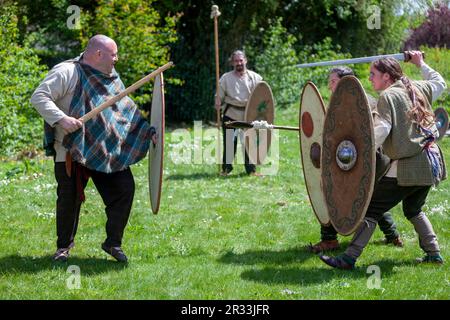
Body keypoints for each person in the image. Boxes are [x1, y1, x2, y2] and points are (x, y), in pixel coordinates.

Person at [31, 35, 154, 263]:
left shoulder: (111, 78)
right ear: (99, 54)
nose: (116, 59)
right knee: (69, 198)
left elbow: (124, 112)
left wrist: (147, 131)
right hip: (70, 149)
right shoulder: (67, 72)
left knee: (124, 189)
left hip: (105, 149)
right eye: (113, 54)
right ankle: (63, 248)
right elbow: (39, 97)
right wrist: (62, 119)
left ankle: (112, 243)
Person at [320, 51, 447, 269]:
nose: (369, 78)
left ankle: (349, 258)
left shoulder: (388, 97)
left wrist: (357, 154)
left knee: (370, 209)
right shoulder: (418, 87)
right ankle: (433, 254)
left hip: (409, 167)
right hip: (432, 163)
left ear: (386, 77)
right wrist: (420, 63)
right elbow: (440, 83)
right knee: (413, 210)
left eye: (373, 74)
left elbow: (381, 131)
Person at [307, 66, 403, 254]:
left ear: (345, 81)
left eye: (333, 81)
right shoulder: (349, 100)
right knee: (369, 196)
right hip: (363, 157)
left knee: (331, 192)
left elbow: (362, 135)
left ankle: (329, 240)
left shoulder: (360, 101)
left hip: (365, 158)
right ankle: (393, 235)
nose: (329, 86)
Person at [215, 50, 263, 176]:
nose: (239, 63)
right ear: (232, 63)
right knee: (230, 143)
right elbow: (219, 96)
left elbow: (262, 95)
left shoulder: (255, 77)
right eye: (236, 61)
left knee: (249, 142)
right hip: (231, 114)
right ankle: (226, 169)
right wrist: (217, 101)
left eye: (241, 60)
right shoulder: (226, 78)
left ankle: (251, 170)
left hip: (249, 114)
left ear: (245, 61)